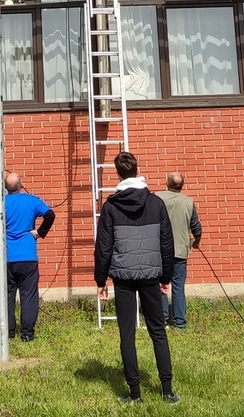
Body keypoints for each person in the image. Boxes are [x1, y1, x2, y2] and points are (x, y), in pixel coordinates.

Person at [94, 152, 178, 405]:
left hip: (123, 277)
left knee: (127, 334)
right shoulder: (156, 203)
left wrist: (101, 281)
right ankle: (167, 391)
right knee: (158, 332)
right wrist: (166, 276)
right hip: (151, 275)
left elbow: (103, 247)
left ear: (118, 173)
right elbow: (167, 242)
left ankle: (135, 394)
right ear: (137, 170)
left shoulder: (110, 207)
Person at [0, 172, 55, 342]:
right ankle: (27, 333)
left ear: (5, 187)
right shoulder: (32, 200)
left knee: (7, 296)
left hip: (6, 257)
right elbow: (50, 215)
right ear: (21, 185)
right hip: (28, 256)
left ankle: (9, 332)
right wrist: (40, 232)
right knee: (29, 296)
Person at [157, 172, 202, 330]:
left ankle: (162, 319)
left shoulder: (156, 198)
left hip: (160, 250)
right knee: (178, 287)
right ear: (182, 186)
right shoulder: (188, 202)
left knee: (161, 285)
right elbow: (196, 227)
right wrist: (196, 242)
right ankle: (180, 323)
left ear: (167, 183)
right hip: (180, 250)